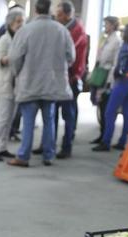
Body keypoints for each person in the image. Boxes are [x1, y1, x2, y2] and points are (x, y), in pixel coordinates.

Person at [6, 0, 74, 167]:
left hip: (29, 83)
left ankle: (23, 157)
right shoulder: (62, 30)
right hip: (51, 84)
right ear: (50, 8)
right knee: (49, 120)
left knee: (28, 122)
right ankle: (48, 155)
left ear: (35, 10)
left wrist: (18, 73)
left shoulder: (25, 31)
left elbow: (15, 57)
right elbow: (71, 57)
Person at [93, 22, 128, 152]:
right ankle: (123, 141)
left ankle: (106, 142)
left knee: (110, 112)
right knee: (127, 113)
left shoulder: (124, 47)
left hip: (122, 82)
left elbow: (120, 67)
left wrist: (113, 78)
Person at [0, 9, 25, 161]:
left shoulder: (18, 38)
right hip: (2, 85)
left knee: (10, 118)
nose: (21, 24)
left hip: (14, 85)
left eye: (22, 21)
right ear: (10, 23)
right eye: (18, 22)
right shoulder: (4, 39)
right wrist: (12, 57)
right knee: (3, 118)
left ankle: (2, 147)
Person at [54, 1, 87, 159]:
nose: (56, 17)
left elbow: (68, 53)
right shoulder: (62, 28)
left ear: (67, 15)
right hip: (58, 76)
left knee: (68, 113)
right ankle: (48, 144)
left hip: (71, 77)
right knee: (52, 113)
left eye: (59, 15)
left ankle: (67, 146)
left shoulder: (77, 30)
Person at [90, 16, 122, 144]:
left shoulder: (117, 41)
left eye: (107, 24)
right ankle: (101, 134)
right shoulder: (106, 39)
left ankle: (105, 137)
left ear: (113, 25)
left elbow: (115, 63)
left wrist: (109, 82)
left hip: (107, 77)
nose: (105, 27)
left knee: (106, 108)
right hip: (100, 74)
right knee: (100, 107)